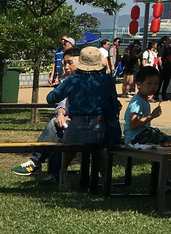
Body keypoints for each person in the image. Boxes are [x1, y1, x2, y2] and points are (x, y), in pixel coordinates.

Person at [46, 44, 119, 189]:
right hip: (100, 128)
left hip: (76, 128)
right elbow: (113, 101)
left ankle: (63, 172)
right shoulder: (108, 80)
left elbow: (51, 98)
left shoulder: (73, 80)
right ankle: (105, 179)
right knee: (100, 149)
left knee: (67, 144)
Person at [13, 47, 78, 177]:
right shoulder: (68, 80)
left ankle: (36, 161)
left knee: (55, 127)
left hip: (85, 127)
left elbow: (51, 98)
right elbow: (62, 104)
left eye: (70, 63)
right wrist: (61, 114)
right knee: (58, 126)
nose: (66, 67)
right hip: (74, 124)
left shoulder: (83, 82)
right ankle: (53, 174)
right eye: (64, 63)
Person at [156, 35, 171, 100]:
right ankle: (156, 94)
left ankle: (164, 95)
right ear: (164, 41)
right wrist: (161, 66)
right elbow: (159, 58)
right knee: (160, 81)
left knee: (166, 82)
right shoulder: (162, 48)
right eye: (168, 39)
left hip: (169, 67)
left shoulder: (170, 49)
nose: (169, 41)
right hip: (164, 67)